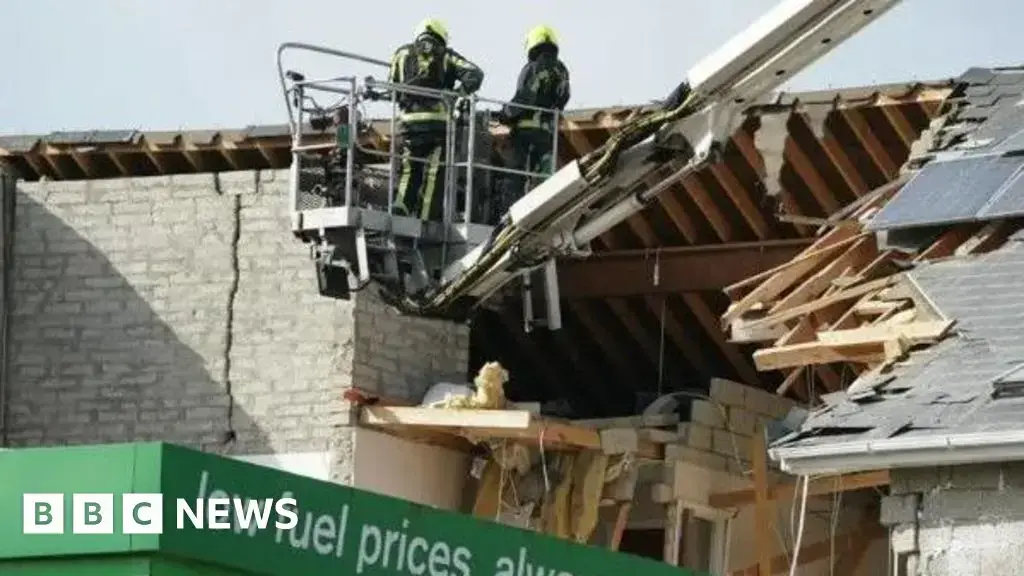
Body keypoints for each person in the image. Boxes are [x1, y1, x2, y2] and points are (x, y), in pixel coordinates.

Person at [388, 18, 484, 221]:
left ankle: (401, 208)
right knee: (433, 173)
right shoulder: (447, 55)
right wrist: (458, 93)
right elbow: (475, 73)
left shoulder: (401, 53)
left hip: (409, 123)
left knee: (408, 169)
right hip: (437, 125)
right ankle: (426, 218)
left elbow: (391, 88)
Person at [498, 25, 571, 212]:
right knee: (544, 180)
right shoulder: (562, 71)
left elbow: (524, 98)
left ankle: (509, 217)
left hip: (525, 132)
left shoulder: (533, 68)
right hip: (547, 135)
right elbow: (563, 99)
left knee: (515, 176)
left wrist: (504, 114)